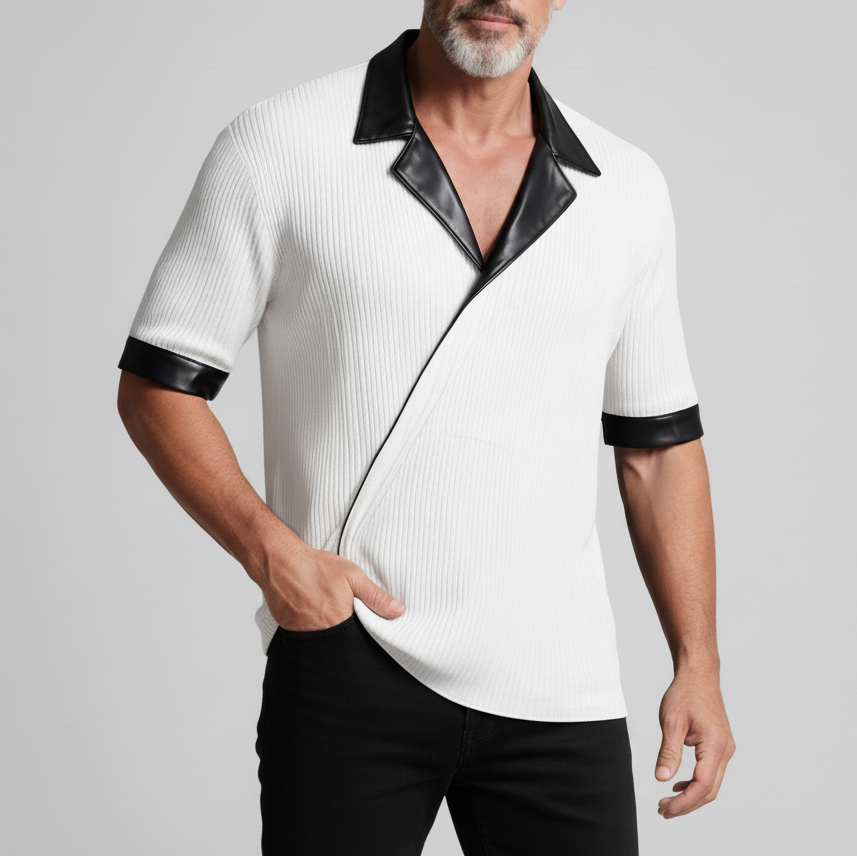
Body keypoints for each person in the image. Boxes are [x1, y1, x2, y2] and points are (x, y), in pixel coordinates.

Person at [116, 2, 735, 854]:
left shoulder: (625, 188)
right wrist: (272, 554)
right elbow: (158, 386)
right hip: (352, 656)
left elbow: (656, 448)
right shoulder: (282, 143)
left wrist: (697, 661)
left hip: (559, 678)